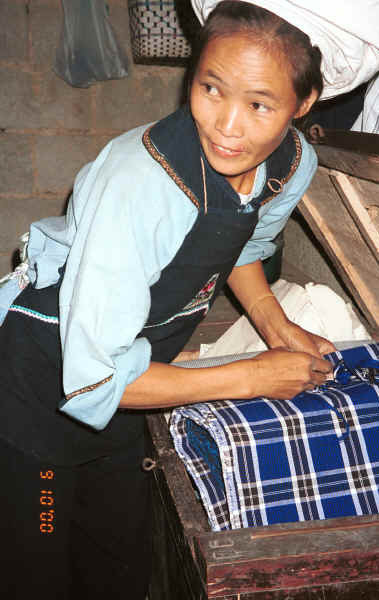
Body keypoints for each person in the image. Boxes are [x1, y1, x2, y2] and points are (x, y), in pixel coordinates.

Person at [0, 1, 337, 597]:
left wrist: (278, 327)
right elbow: (95, 381)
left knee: (120, 559)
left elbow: (244, 240)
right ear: (192, 77)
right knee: (40, 563)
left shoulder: (291, 160)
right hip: (43, 390)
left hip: (134, 372)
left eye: (259, 105)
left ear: (302, 105)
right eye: (211, 89)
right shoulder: (139, 184)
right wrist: (251, 375)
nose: (227, 126)